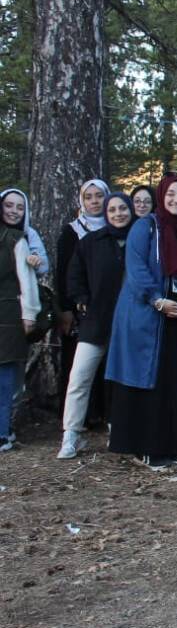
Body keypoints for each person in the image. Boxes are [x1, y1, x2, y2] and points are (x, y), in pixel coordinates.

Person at [105, 174, 177, 470]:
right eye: (171, 194)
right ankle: (146, 446)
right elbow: (136, 267)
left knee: (175, 379)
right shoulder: (146, 226)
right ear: (162, 196)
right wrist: (156, 299)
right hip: (147, 316)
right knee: (149, 379)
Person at [57, 192, 133, 458]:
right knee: (79, 377)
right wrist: (81, 300)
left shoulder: (139, 239)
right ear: (106, 213)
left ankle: (118, 428)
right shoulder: (91, 241)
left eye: (123, 208)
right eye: (112, 210)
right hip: (96, 321)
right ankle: (71, 434)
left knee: (120, 380)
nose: (118, 214)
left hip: (128, 323)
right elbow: (74, 275)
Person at [55, 178, 109, 418]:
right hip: (79, 307)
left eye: (99, 196)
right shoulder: (72, 231)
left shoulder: (116, 226)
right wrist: (66, 309)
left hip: (107, 305)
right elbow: (63, 272)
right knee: (77, 363)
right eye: (89, 197)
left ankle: (103, 411)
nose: (94, 201)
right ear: (82, 201)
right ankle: (81, 417)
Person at [0, 190, 42, 452]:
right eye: (8, 205)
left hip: (8, 317)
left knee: (5, 376)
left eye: (19, 207)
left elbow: (27, 281)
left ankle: (2, 433)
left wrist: (30, 313)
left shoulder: (18, 240)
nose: (13, 211)